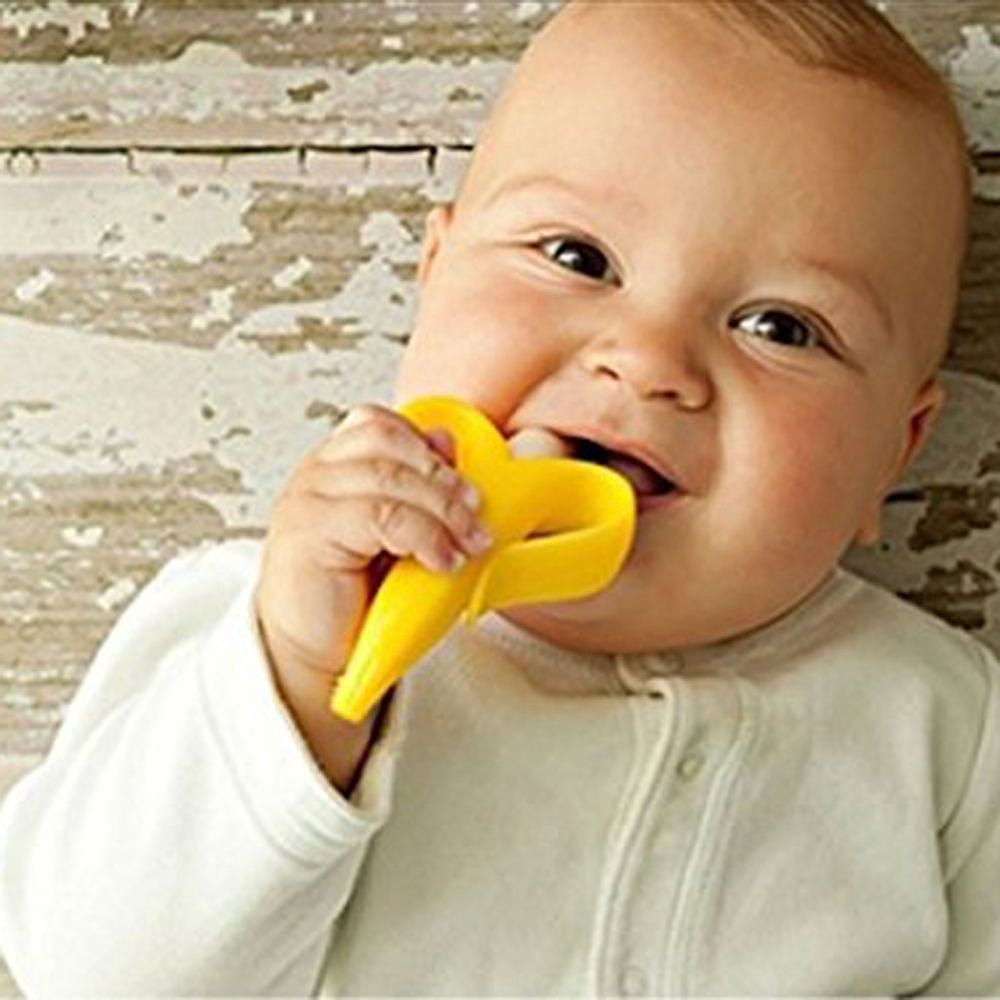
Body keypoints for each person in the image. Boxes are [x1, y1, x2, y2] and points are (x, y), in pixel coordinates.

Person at [2, 0, 997, 994]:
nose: (647, 360)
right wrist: (308, 687)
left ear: (894, 452)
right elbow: (84, 972)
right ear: (432, 277)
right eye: (577, 258)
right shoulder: (267, 626)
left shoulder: (942, 727)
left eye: (780, 327)